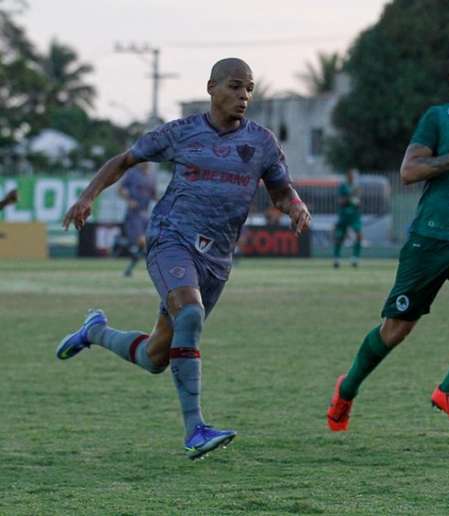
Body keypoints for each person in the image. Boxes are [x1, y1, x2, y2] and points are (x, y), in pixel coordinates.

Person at [56, 58, 311, 460]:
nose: (243, 95)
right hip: (170, 238)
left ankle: (95, 332)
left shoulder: (262, 142)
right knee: (189, 313)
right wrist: (88, 196)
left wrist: (294, 205)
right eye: (234, 86)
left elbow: (281, 188)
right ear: (211, 87)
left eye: (249, 89)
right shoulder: (180, 133)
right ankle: (195, 430)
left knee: (157, 355)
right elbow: (124, 160)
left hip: (217, 260)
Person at [327, 47, 449, 432]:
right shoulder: (438, 119)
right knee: (396, 330)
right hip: (429, 242)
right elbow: (409, 171)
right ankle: (347, 389)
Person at [118, 162, 157, 277]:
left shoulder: (152, 176)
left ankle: (128, 270)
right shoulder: (132, 174)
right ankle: (155, 268)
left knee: (145, 244)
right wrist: (129, 200)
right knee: (142, 241)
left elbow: (153, 194)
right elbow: (120, 189)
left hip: (146, 214)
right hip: (134, 214)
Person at [333, 168, 363, 268]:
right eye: (350, 175)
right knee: (339, 236)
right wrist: (350, 199)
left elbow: (358, 201)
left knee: (359, 235)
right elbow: (341, 201)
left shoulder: (357, 186)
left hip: (354, 215)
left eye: (354, 175)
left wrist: (357, 203)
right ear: (347, 176)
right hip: (344, 215)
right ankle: (336, 259)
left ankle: (355, 258)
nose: (352, 177)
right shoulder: (343, 186)